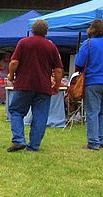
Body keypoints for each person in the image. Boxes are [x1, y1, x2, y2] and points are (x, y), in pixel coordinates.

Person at [6, 19, 63, 152]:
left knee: (16, 111)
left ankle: (19, 139)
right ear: (46, 32)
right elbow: (58, 70)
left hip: (24, 84)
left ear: (32, 30)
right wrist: (57, 85)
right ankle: (34, 146)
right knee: (40, 116)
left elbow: (14, 62)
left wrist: (11, 75)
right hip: (43, 86)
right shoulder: (51, 46)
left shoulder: (23, 42)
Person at [74, 19, 103, 150]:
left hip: (93, 81)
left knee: (92, 112)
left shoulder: (88, 44)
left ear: (91, 30)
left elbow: (78, 63)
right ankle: (102, 139)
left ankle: (93, 142)